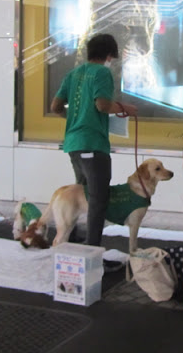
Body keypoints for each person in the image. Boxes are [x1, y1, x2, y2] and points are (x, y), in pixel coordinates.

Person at [50, 33, 137, 251]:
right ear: (109, 55)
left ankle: (72, 245)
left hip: (73, 144)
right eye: (112, 57)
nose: (112, 61)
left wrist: (76, 118)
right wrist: (126, 108)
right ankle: (92, 250)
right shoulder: (102, 72)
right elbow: (102, 105)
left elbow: (55, 107)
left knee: (81, 195)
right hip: (93, 144)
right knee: (98, 200)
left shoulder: (73, 74)